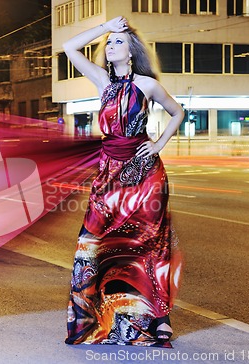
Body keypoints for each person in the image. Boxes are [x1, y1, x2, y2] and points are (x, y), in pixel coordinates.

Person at [63, 16, 184, 347]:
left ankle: (159, 317)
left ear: (131, 50)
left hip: (145, 172)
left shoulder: (147, 84)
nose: (111, 45)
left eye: (119, 41)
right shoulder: (102, 80)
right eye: (109, 42)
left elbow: (178, 112)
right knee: (93, 243)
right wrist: (106, 27)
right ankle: (98, 315)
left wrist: (158, 144)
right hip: (108, 175)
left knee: (150, 243)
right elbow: (68, 46)